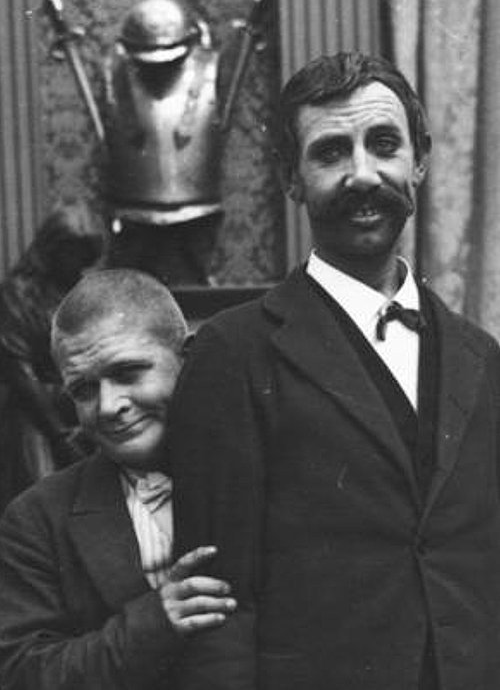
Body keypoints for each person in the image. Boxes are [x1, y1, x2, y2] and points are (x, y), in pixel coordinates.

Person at [169, 52, 500, 690]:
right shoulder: (232, 353)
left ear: (420, 160)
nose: (362, 174)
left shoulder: (481, 357)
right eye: (330, 152)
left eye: (384, 145)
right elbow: (219, 607)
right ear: (290, 178)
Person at [0, 268, 237, 690]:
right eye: (83, 390)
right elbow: (19, 673)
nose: (109, 406)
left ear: (188, 359)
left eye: (128, 373)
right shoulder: (36, 519)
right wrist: (152, 625)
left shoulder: (266, 470)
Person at [0, 199, 107, 512]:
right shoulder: (18, 294)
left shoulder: (84, 292)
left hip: (82, 400)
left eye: (85, 253)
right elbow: (19, 371)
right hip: (36, 410)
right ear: (52, 247)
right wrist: (58, 435)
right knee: (40, 494)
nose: (78, 262)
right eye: (72, 251)